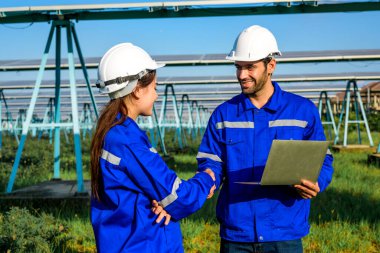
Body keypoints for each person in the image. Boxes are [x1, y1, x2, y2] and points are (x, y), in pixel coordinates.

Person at [196, 25, 334, 253]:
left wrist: (316, 181)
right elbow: (210, 162)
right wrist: (208, 177)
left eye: (250, 67)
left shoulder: (302, 112)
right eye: (238, 67)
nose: (242, 75)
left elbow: (323, 160)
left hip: (284, 233)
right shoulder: (223, 115)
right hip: (237, 233)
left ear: (271, 66)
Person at [90, 42, 216, 253]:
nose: (157, 95)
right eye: (155, 88)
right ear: (138, 89)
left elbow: (151, 191)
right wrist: (207, 179)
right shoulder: (127, 140)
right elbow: (179, 196)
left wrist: (162, 201)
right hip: (144, 244)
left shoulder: (112, 132)